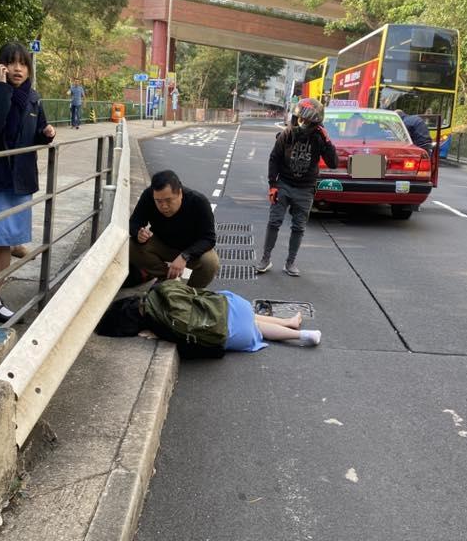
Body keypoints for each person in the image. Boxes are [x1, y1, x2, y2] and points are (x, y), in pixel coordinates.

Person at [0, 42, 56, 322]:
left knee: (6, 241)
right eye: (12, 62)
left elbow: (33, 133)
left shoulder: (33, 98)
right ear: (1, 66)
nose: (18, 68)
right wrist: (2, 87)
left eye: (23, 63)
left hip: (19, 179)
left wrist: (46, 134)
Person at [95, 282, 321, 356]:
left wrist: (155, 334)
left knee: (252, 328)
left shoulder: (156, 326)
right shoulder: (160, 289)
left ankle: (301, 334)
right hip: (232, 305)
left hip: (230, 333)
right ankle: (290, 324)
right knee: (243, 315)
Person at [256, 97, 337, 277]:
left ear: (316, 122)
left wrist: (328, 141)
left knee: (298, 227)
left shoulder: (319, 138)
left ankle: (290, 262)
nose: (302, 123)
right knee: (274, 221)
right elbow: (274, 158)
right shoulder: (287, 134)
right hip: (283, 184)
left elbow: (333, 163)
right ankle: (265, 258)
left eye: (306, 120)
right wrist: (272, 185)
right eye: (299, 119)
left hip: (305, 189)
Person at [128, 170, 220, 289]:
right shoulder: (149, 195)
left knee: (211, 263)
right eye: (158, 201)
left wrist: (184, 256)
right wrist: (138, 233)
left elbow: (209, 238)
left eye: (168, 200)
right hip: (161, 243)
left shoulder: (198, 202)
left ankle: (191, 293)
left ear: (180, 193)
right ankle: (166, 277)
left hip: (191, 249)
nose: (164, 206)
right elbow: (134, 222)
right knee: (130, 245)